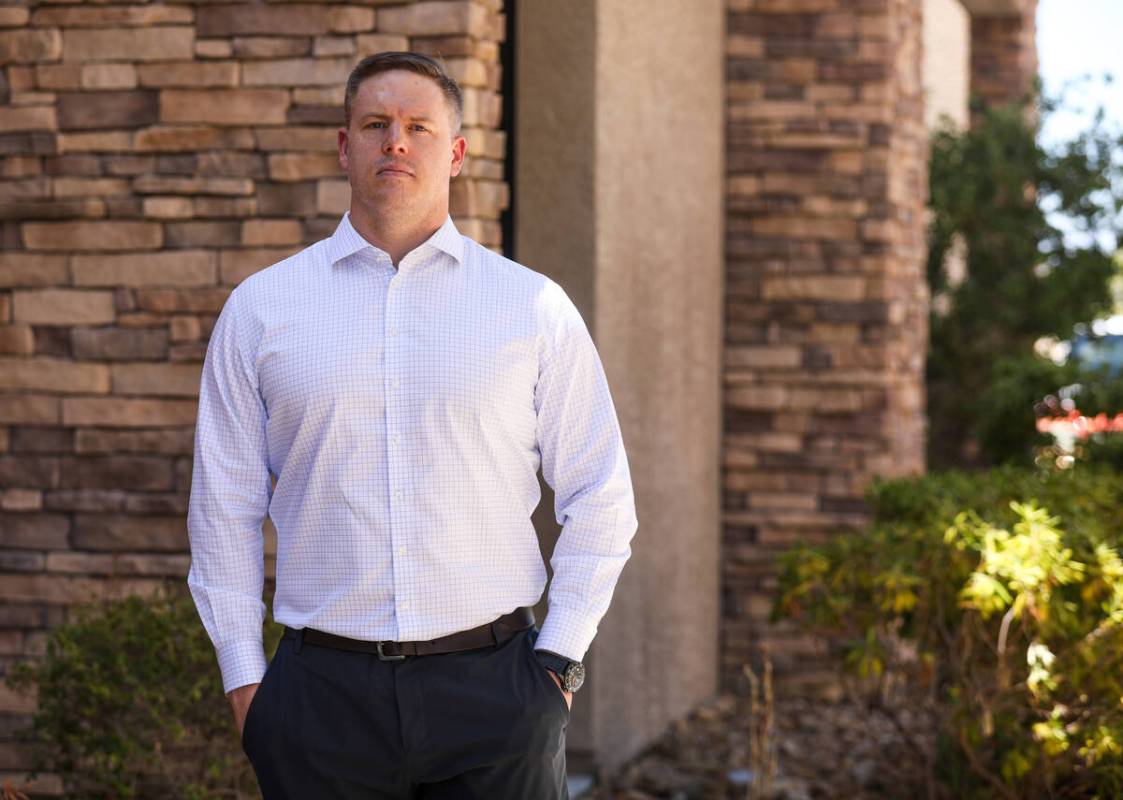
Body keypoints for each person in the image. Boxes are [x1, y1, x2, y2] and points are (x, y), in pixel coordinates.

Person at [186, 51, 639, 799]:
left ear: (455, 154)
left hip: (498, 696)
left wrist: (557, 663)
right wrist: (246, 684)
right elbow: (222, 509)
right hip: (318, 703)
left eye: (418, 127)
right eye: (375, 124)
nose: (396, 142)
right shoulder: (262, 310)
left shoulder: (530, 308)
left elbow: (600, 494)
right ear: (344, 145)